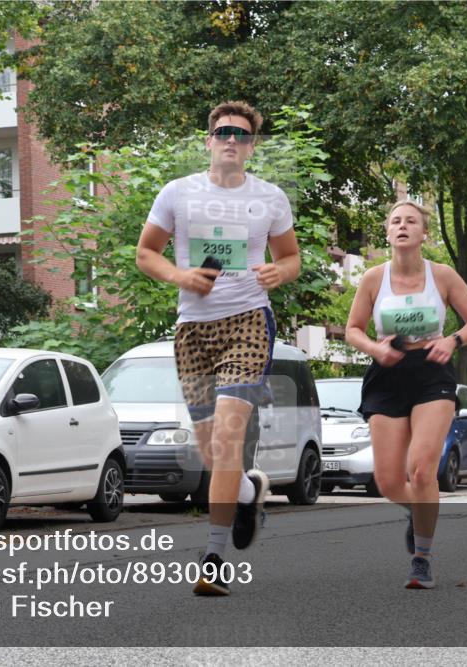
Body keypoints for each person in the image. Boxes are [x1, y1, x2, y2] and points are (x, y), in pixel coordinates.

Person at [136, 101, 301, 595]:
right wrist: (180, 275)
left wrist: (280, 271)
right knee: (212, 449)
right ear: (208, 141)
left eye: (243, 135)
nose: (232, 140)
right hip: (193, 330)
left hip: (249, 321)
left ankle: (213, 557)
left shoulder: (270, 198)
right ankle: (248, 491)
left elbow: (289, 257)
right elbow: (147, 252)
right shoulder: (178, 193)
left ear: (252, 146)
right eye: (224, 132)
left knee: (228, 437)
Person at [346, 199, 467, 589]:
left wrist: (452, 340)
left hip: (431, 372)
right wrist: (375, 348)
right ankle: (417, 510)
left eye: (411, 221)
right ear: (388, 233)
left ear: (424, 233)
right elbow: (353, 328)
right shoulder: (374, 278)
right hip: (387, 373)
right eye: (396, 221)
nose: (403, 226)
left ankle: (421, 558)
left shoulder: (441, 276)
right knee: (390, 481)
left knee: (423, 469)